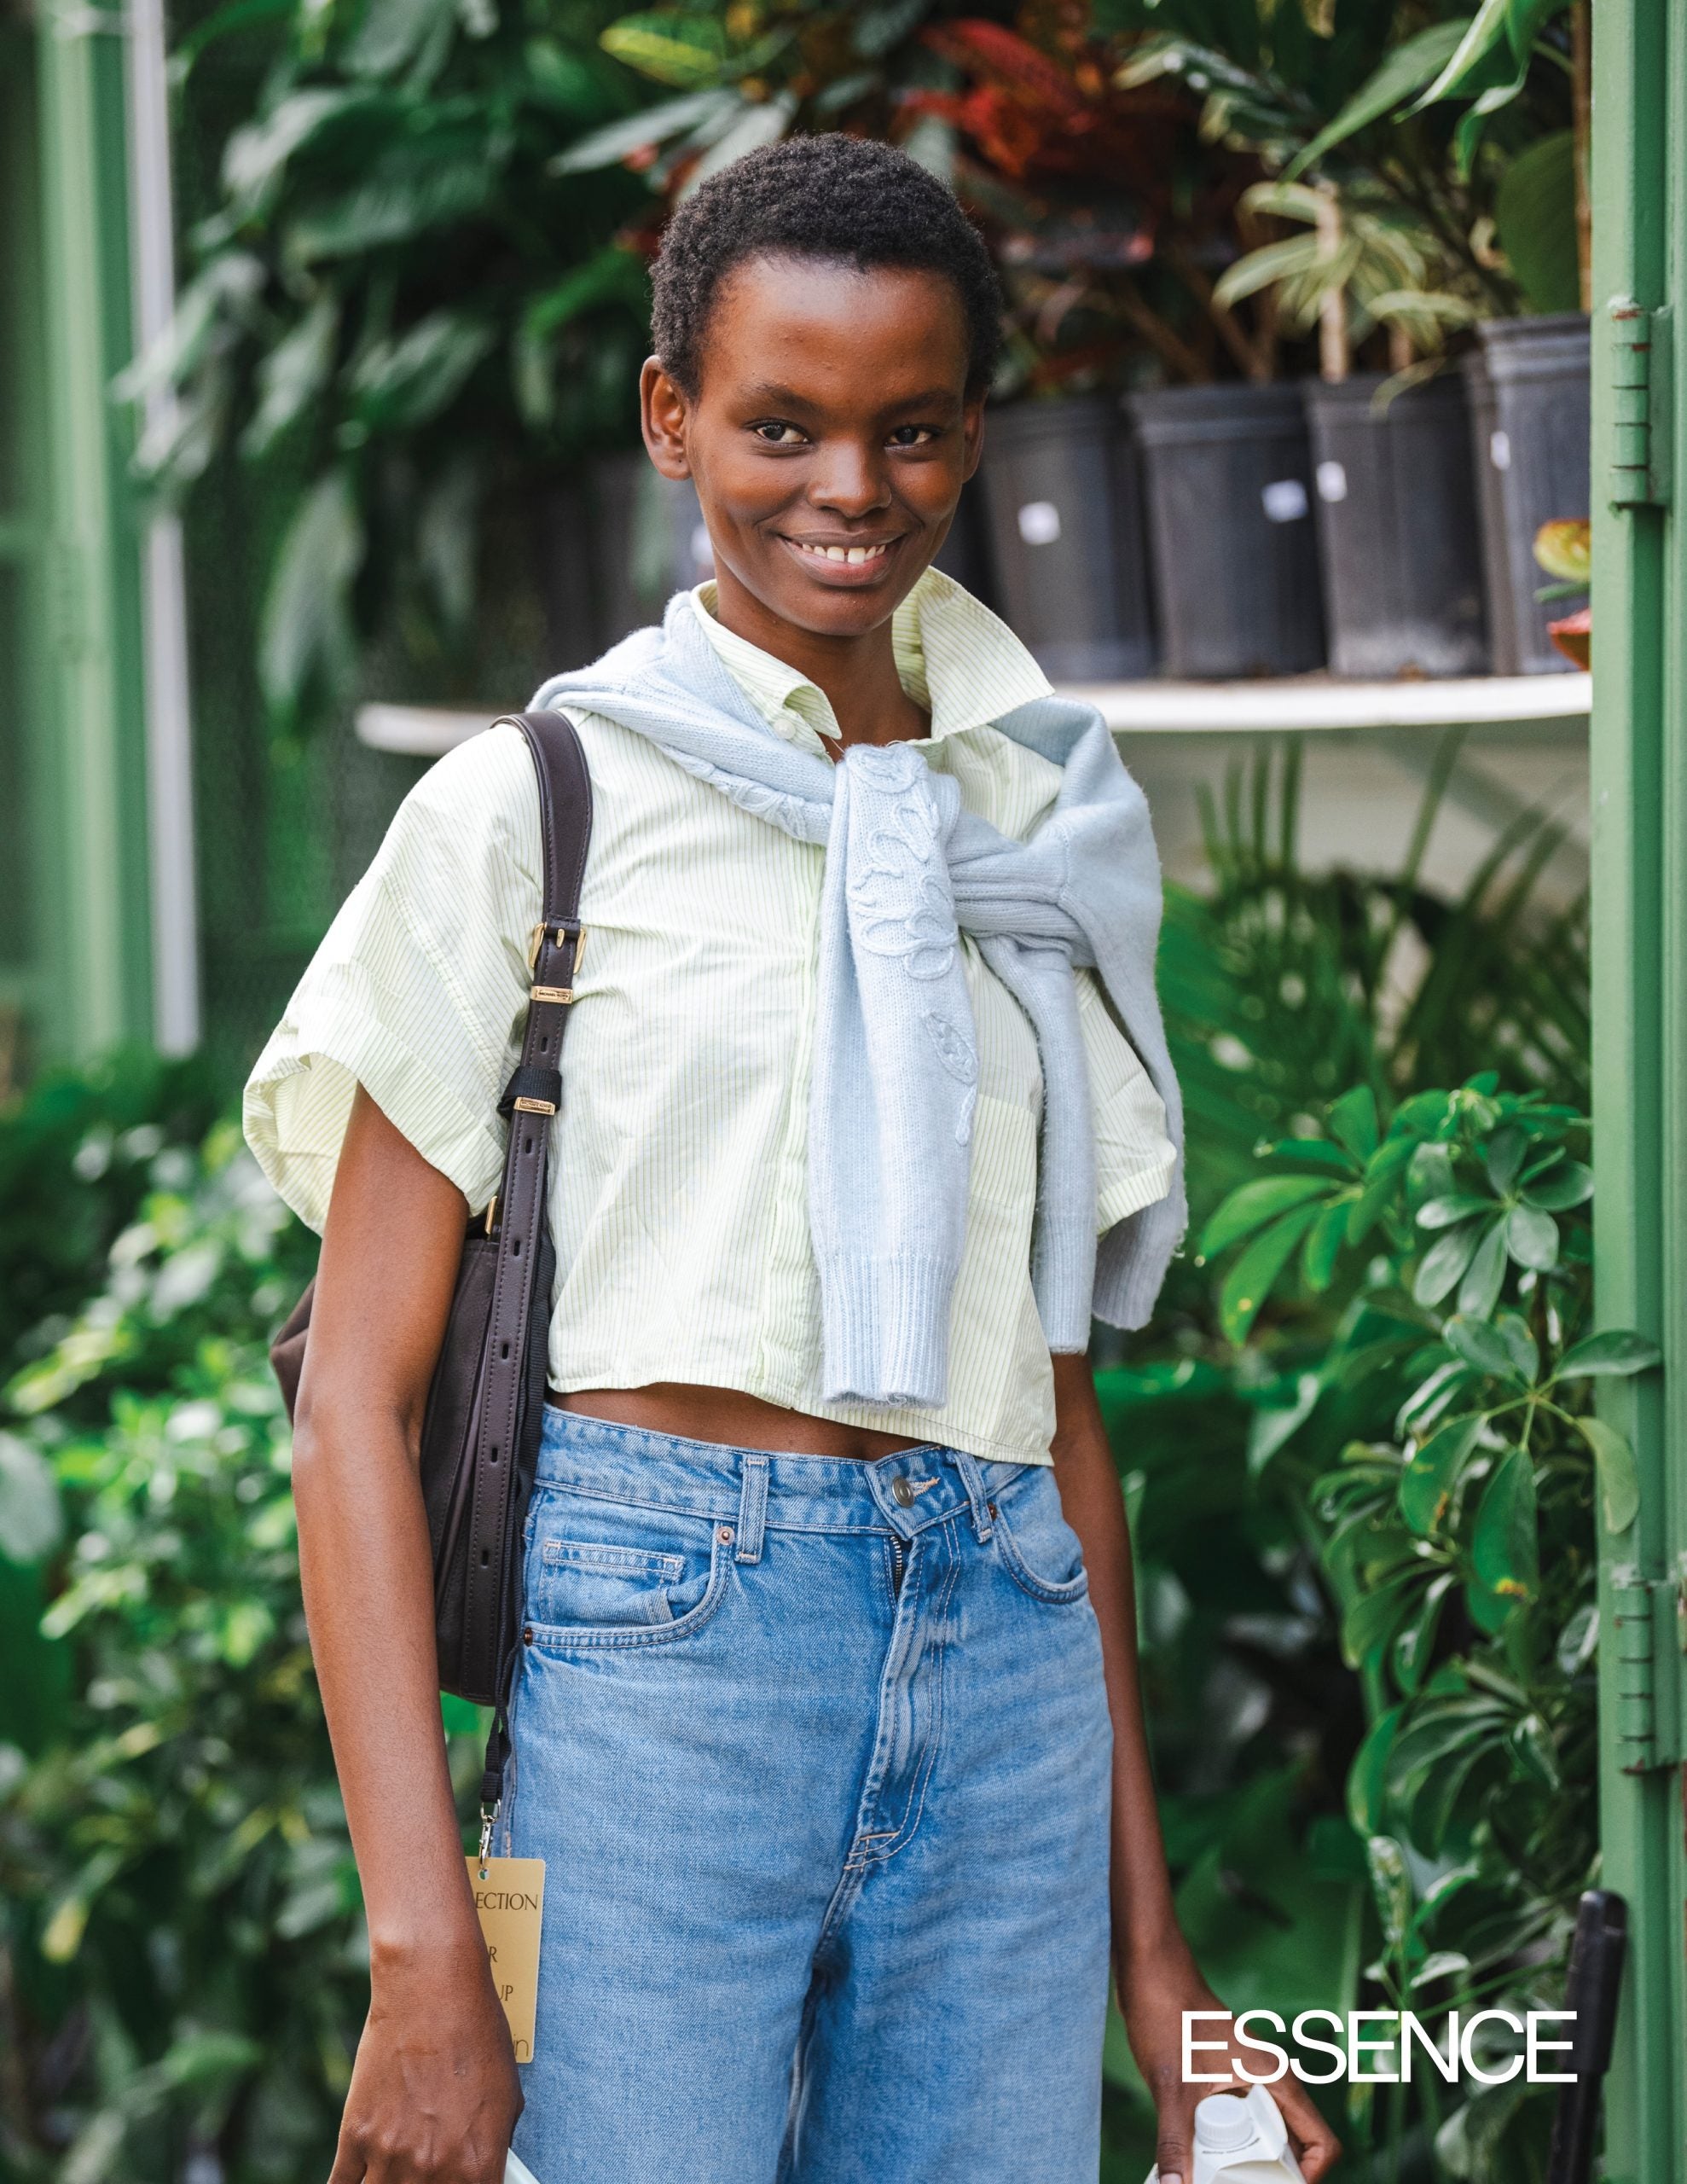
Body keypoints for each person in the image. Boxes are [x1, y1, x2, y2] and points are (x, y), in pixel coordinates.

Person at [245, 133, 1341, 2184]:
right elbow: (355, 1415)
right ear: (672, 420)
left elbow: (1058, 1404)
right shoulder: (531, 809)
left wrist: (1159, 1953)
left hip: (1002, 1656)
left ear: (969, 437)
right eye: (780, 424)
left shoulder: (1033, 830)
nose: (851, 488)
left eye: (908, 430)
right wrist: (420, 1959)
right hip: (662, 1662)